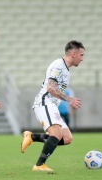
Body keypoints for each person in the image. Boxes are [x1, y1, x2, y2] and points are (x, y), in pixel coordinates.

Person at [21, 40, 85, 173]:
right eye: (81, 55)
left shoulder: (67, 71)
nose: (82, 59)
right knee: (56, 132)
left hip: (52, 105)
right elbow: (50, 88)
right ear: (73, 54)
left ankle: (32, 137)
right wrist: (70, 100)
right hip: (44, 102)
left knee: (66, 138)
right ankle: (39, 165)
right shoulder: (58, 66)